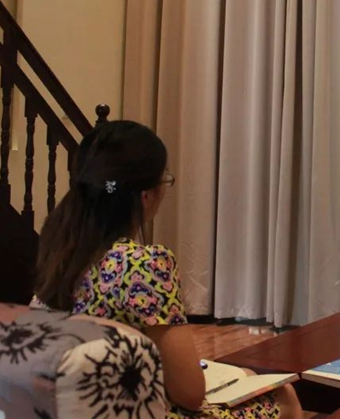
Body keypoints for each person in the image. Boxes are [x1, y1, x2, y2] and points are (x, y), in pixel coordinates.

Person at [33, 121, 302, 419]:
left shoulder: (57, 250)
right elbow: (190, 393)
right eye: (165, 179)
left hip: (68, 408)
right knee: (284, 397)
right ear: (146, 196)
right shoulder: (143, 265)